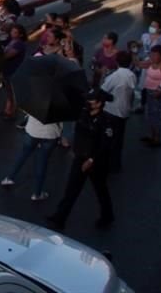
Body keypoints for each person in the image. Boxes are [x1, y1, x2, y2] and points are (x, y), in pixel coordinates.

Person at [47, 87, 116, 231]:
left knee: (100, 189)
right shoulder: (83, 114)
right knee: (71, 189)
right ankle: (60, 217)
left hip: (96, 162)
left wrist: (91, 160)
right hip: (80, 157)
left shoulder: (106, 121)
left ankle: (107, 215)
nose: (88, 102)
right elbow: (79, 134)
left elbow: (105, 145)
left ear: (99, 103)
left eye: (91, 100)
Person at [1, 115, 62, 202]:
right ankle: (37, 193)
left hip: (32, 131)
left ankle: (9, 178)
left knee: (23, 154)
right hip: (50, 134)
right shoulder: (62, 104)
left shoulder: (35, 101)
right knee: (42, 161)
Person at [101, 50, 136, 172]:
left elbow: (103, 90)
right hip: (124, 111)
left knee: (108, 138)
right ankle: (116, 163)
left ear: (117, 61)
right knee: (118, 139)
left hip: (112, 111)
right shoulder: (132, 75)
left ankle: (107, 163)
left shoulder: (115, 76)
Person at [139, 44, 161, 148]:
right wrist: (134, 53)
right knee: (150, 114)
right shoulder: (152, 62)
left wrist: (159, 93)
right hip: (151, 92)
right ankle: (152, 135)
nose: (152, 57)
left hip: (159, 93)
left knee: (156, 115)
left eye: (155, 55)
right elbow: (139, 65)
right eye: (151, 54)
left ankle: (157, 139)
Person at [1, 23, 27, 119]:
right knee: (8, 92)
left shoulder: (19, 44)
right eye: (12, 31)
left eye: (15, 32)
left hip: (14, 71)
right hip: (7, 70)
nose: (12, 33)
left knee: (13, 92)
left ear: (20, 34)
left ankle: (12, 112)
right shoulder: (12, 41)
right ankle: (7, 109)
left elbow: (7, 56)